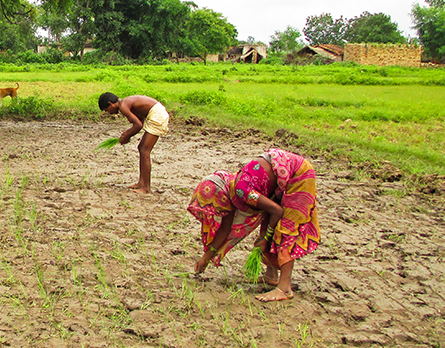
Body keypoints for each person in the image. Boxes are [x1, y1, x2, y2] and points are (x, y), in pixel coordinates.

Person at [192, 149, 320, 302]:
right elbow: (225, 229)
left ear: (221, 196)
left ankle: (284, 288)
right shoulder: (231, 188)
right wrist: (205, 259)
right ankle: (271, 275)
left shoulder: (242, 191)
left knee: (285, 229)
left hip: (299, 175)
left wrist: (265, 238)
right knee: (267, 223)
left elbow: (277, 211)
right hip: (281, 178)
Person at [98, 92, 169, 193]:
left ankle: (146, 188)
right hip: (156, 113)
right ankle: (141, 182)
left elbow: (138, 125)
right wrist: (127, 135)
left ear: (111, 104)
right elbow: (139, 119)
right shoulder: (125, 103)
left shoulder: (123, 106)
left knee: (145, 150)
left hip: (157, 115)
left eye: (107, 110)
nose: (109, 113)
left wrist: (126, 135)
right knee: (141, 148)